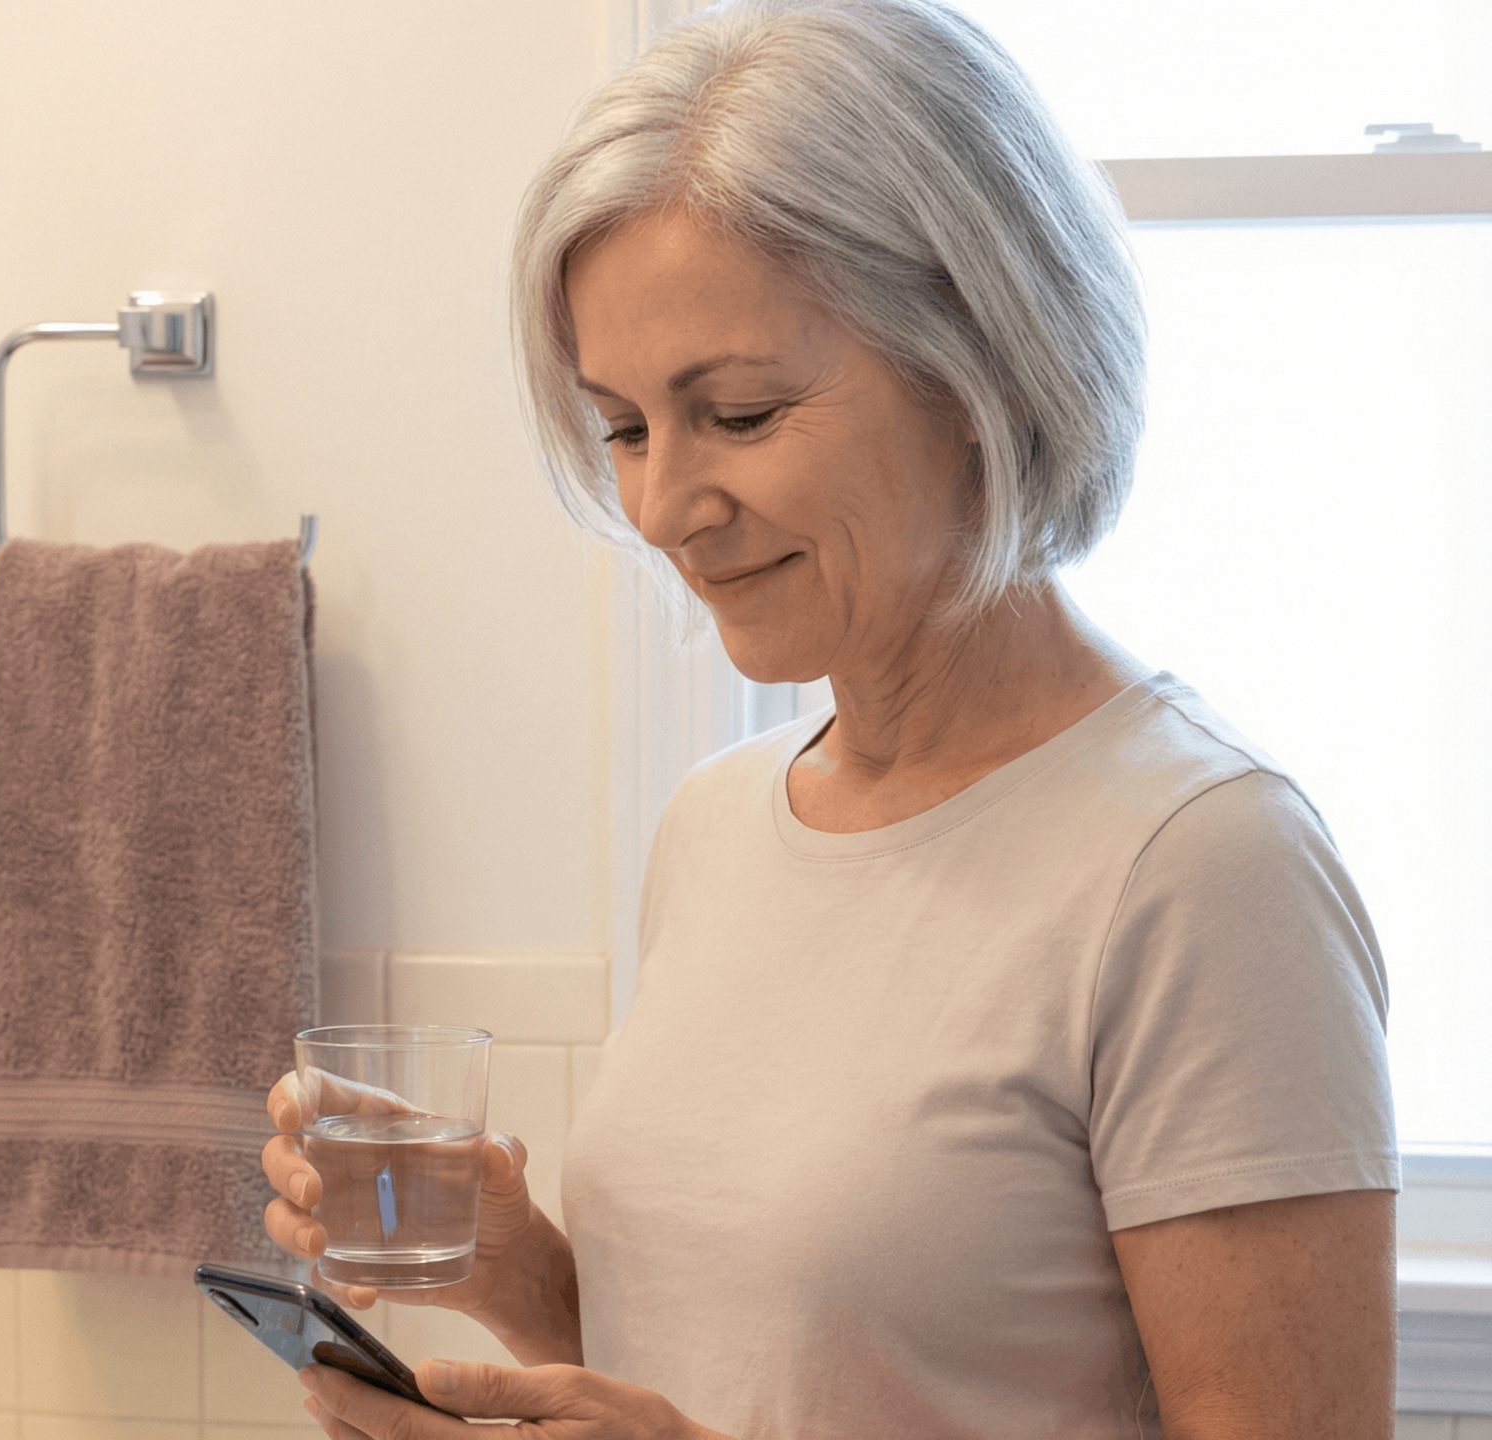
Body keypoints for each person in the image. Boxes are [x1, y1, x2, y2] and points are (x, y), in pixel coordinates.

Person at [261, 0, 1399, 1434]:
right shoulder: (720, 823)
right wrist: (521, 1270)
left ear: (979, 370)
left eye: (736, 414)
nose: (665, 507)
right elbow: (755, 1375)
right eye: (623, 428)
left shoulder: (1200, 866)